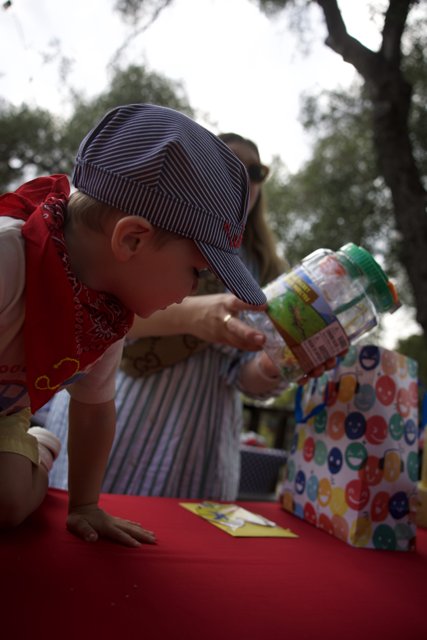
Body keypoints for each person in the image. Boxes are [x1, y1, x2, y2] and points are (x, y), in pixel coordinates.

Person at [0, 105, 273, 547]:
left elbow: (93, 409)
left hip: (6, 413)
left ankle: (38, 445)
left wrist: (85, 505)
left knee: (9, 503)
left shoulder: (104, 315)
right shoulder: (9, 258)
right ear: (131, 239)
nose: (191, 291)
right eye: (196, 272)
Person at [42, 132, 292, 500]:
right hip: (115, 407)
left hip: (193, 438)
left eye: (256, 172)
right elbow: (98, 309)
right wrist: (193, 316)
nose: (244, 179)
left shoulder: (267, 268)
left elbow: (243, 372)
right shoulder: (154, 225)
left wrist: (274, 364)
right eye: (232, 167)